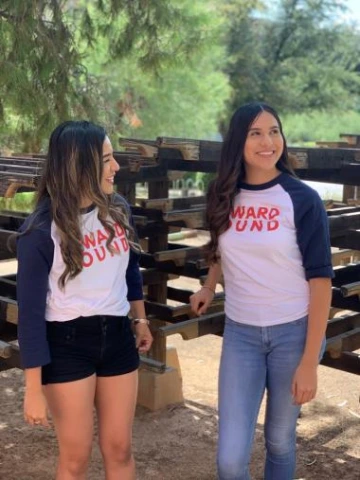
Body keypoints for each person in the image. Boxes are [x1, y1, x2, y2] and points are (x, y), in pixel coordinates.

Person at [190, 102, 333, 480]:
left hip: (294, 334)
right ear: (239, 141)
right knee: (230, 461)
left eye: (274, 131)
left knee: (280, 441)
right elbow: (222, 244)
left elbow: (320, 283)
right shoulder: (222, 193)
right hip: (242, 336)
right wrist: (208, 284)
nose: (268, 141)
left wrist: (308, 362)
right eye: (256, 133)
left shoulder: (302, 199)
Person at [16, 120, 153, 480]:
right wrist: (33, 389)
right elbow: (29, 317)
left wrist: (140, 319)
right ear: (79, 166)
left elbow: (130, 270)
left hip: (119, 338)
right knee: (75, 459)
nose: (116, 167)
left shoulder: (118, 210)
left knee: (119, 449)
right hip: (67, 345)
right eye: (106, 159)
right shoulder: (39, 231)